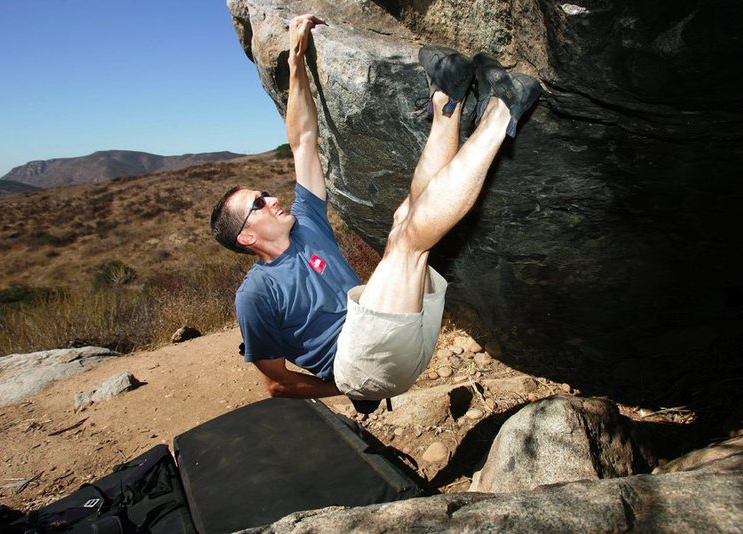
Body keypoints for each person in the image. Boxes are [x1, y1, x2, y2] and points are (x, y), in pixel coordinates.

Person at [210, 14, 541, 405]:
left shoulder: (306, 223)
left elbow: (303, 140)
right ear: (246, 236)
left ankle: (447, 102)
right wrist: (346, 386)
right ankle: (503, 109)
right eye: (259, 204)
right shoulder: (255, 296)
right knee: (405, 244)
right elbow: (276, 383)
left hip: (393, 326)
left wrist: (296, 62)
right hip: (359, 363)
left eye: (265, 192)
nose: (273, 199)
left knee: (405, 218)